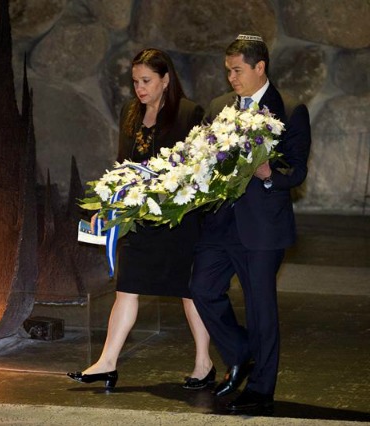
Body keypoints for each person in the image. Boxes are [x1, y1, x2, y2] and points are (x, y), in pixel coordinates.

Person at [67, 48, 215, 391]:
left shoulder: (190, 113)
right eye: (135, 81)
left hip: (177, 218)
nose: (139, 88)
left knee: (188, 291)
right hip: (138, 215)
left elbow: (198, 169)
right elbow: (122, 164)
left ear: (166, 80)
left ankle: (203, 362)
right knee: (127, 287)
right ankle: (106, 363)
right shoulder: (130, 112)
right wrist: (106, 205)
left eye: (146, 81)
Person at [189, 32, 311, 413]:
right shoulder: (219, 106)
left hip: (262, 227)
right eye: (227, 71)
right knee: (201, 289)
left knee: (261, 308)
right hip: (221, 223)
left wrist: (267, 171)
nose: (231, 78)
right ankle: (242, 352)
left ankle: (261, 388)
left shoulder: (290, 109)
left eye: (237, 70)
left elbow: (297, 170)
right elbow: (202, 156)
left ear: (260, 68)